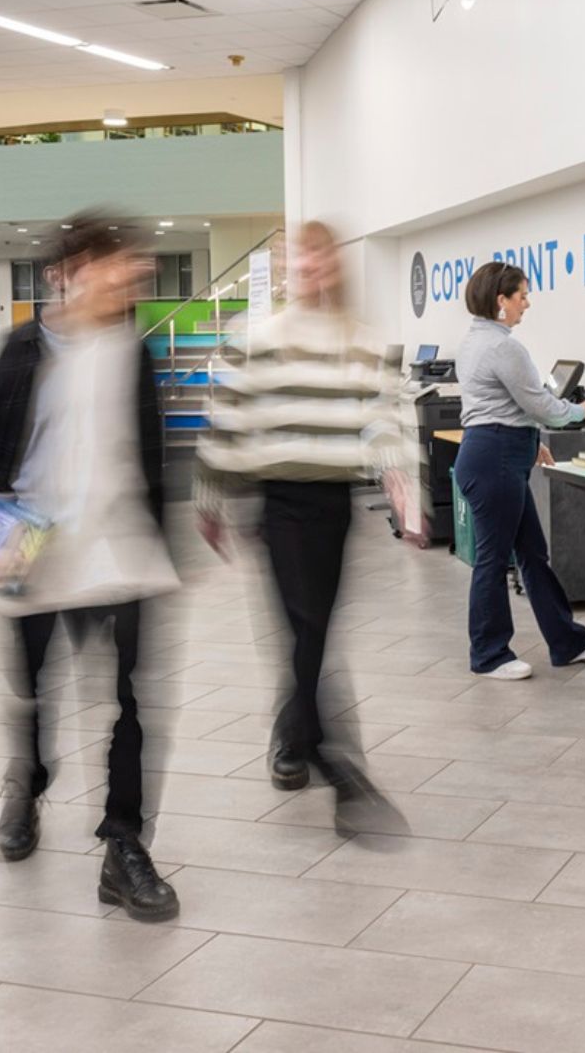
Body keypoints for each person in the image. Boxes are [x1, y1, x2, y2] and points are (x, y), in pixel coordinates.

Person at [0, 215, 180, 920]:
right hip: (33, 549)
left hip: (120, 549)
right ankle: (26, 783)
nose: (133, 277)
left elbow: (150, 454)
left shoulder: (132, 350)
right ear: (76, 267)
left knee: (131, 703)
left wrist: (167, 544)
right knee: (30, 689)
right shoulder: (25, 347)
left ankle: (124, 845)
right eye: (120, 265)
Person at [196, 220, 403, 832]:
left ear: (334, 266)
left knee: (312, 632)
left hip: (333, 503)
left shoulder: (360, 339)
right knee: (305, 625)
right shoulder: (256, 336)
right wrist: (210, 497)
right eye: (298, 260)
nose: (309, 269)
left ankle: (293, 737)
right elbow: (226, 418)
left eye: (319, 258)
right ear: (286, 268)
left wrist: (399, 482)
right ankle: (334, 761)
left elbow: (383, 413)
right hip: (278, 501)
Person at [453, 261, 585, 680]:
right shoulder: (504, 347)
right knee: (494, 558)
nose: (527, 303)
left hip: (496, 451)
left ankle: (567, 641)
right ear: (500, 300)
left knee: (533, 554)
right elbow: (542, 406)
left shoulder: (475, 339)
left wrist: (527, 440)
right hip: (495, 458)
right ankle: (489, 654)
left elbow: (500, 405)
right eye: (521, 295)